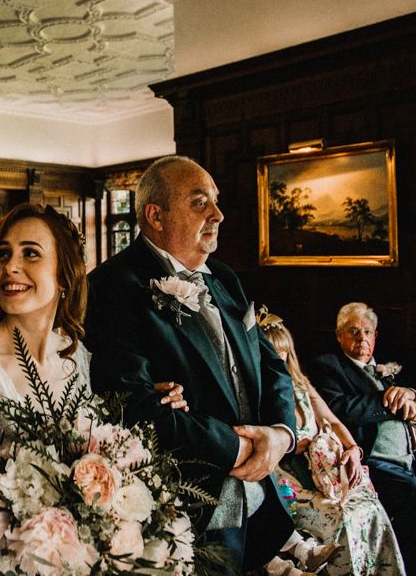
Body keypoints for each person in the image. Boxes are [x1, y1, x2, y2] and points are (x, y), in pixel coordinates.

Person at [84, 155, 325, 574]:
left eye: (215, 201)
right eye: (200, 203)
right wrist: (239, 447)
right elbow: (133, 406)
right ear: (155, 216)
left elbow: (272, 366)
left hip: (260, 496)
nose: (218, 214)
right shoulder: (112, 288)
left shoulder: (224, 279)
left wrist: (281, 435)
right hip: (189, 507)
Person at [0, 203, 186, 441]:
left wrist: (153, 399)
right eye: (2, 254)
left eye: (31, 253)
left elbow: (100, 427)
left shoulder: (75, 353)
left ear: (64, 276)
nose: (10, 267)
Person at [259, 308, 404, 576]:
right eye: (272, 354)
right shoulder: (260, 393)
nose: (279, 359)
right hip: (290, 476)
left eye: (284, 353)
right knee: (340, 515)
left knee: (370, 506)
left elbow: (333, 420)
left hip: (323, 469)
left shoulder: (302, 385)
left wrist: (352, 450)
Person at [308, 302, 416, 574]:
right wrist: (385, 400)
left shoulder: (394, 367)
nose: (362, 338)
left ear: (376, 336)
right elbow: (340, 410)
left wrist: (410, 394)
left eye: (367, 332)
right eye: (353, 331)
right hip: (375, 463)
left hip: (409, 459)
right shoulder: (328, 366)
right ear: (339, 335)